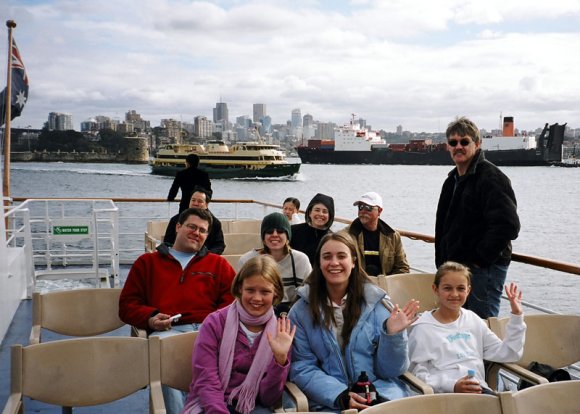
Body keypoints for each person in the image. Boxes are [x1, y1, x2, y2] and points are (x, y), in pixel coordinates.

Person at [119, 208, 236, 414]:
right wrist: (151, 318)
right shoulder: (147, 263)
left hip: (208, 330)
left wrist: (214, 325)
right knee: (164, 356)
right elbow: (127, 305)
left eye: (202, 230)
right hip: (167, 331)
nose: (196, 233)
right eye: (192, 226)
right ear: (178, 227)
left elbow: (232, 303)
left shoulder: (218, 265)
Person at [288, 233, 420, 412]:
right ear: (318, 263)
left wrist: (392, 336)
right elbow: (302, 367)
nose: (334, 263)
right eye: (327, 257)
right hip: (330, 402)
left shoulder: (378, 304)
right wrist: (341, 396)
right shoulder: (301, 311)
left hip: (380, 396)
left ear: (353, 261)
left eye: (341, 256)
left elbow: (391, 371)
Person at [182, 255, 296, 414]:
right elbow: (207, 381)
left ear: (275, 294)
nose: (257, 298)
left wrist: (280, 360)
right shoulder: (215, 323)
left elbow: (268, 399)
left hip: (254, 406)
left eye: (265, 292)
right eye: (250, 290)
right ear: (239, 288)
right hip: (212, 405)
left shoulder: (280, 333)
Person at [435, 116, 520, 319]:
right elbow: (443, 225)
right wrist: (441, 261)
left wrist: (479, 261)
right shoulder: (452, 180)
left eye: (464, 142)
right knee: (460, 323)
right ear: (448, 147)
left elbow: (508, 226)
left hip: (484, 270)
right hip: (456, 267)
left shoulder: (491, 178)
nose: (458, 147)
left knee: (483, 325)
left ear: (477, 143)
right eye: (453, 142)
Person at [408, 261, 526, 394]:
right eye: (447, 288)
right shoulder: (422, 328)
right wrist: (452, 385)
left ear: (468, 290)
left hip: (479, 391)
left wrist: (516, 317)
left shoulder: (473, 320)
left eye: (460, 288)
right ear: (436, 289)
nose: (454, 294)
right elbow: (416, 374)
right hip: (443, 398)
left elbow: (509, 353)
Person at [238, 212, 311, 316]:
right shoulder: (247, 260)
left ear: (288, 236)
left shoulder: (301, 260)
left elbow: (310, 294)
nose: (275, 235)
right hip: (256, 312)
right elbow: (240, 294)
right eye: (269, 232)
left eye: (280, 231)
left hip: (292, 313)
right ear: (263, 237)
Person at [345, 191, 409, 276]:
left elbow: (402, 268)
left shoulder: (393, 236)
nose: (363, 211)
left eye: (368, 208)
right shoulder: (347, 235)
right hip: (357, 285)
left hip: (385, 286)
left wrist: (387, 284)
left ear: (379, 211)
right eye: (360, 207)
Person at [164, 186, 225, 254]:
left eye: (200, 201)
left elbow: (219, 245)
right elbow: (167, 242)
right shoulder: (176, 220)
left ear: (206, 205)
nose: (195, 203)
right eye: (193, 200)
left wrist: (206, 256)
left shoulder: (215, 223)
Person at [290, 193, 334, 264]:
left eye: (325, 211)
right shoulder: (293, 231)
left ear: (330, 216)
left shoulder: (331, 239)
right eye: (317, 210)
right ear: (310, 212)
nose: (320, 214)